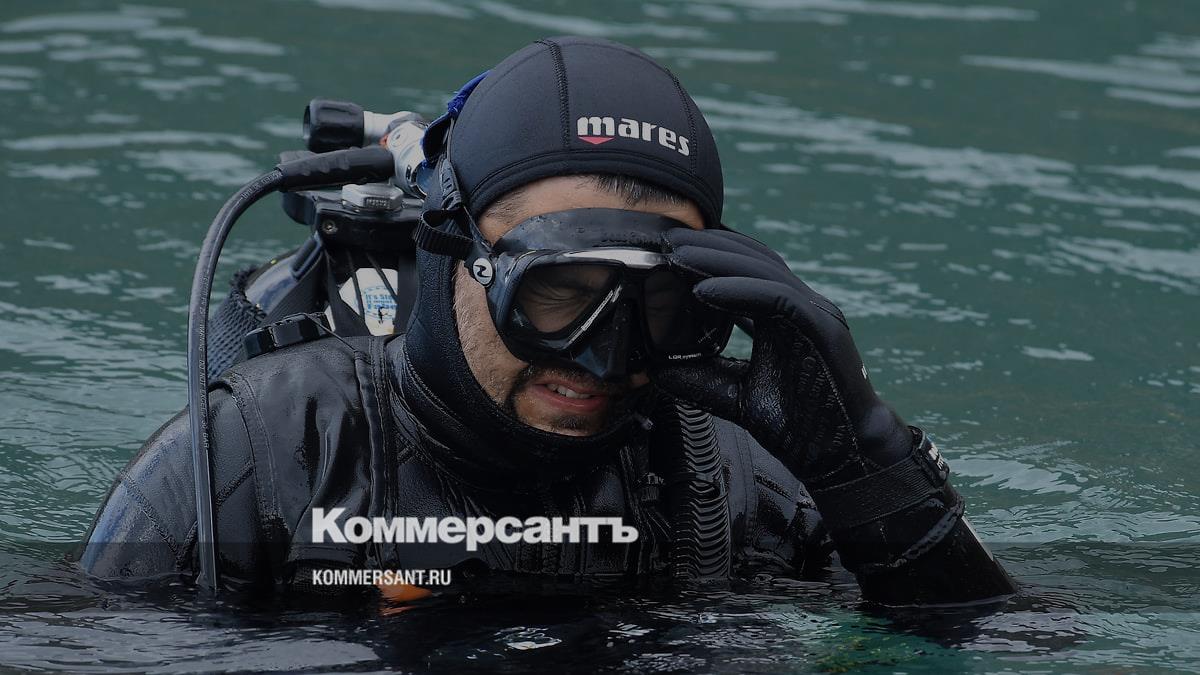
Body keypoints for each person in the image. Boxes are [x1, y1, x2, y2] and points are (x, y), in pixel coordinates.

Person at [80, 36, 1015, 606]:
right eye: (557, 293)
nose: (603, 360)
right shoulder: (251, 456)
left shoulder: (734, 487)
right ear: (454, 252)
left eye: (655, 303)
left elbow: (998, 648)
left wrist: (869, 471)